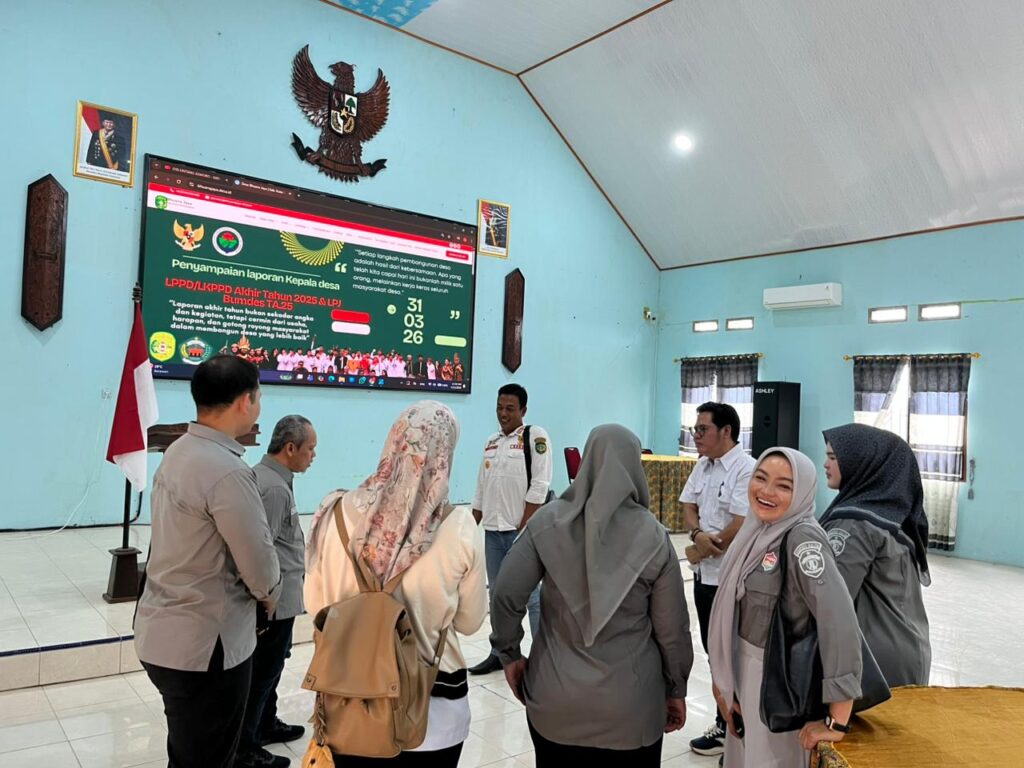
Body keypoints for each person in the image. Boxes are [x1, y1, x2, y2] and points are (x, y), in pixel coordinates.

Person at [490, 424, 693, 766]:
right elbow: (672, 630)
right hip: (631, 708)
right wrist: (676, 689)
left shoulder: (546, 522)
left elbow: (505, 594)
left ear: (586, 462)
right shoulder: (654, 537)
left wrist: (509, 654)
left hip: (555, 700)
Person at [304, 401, 487, 766]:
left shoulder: (334, 512)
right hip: (434, 711)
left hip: (350, 702)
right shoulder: (459, 526)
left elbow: (315, 606)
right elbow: (470, 622)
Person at [135, 355, 282, 768]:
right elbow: (259, 564)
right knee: (209, 758)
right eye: (258, 396)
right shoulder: (227, 471)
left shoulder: (180, 450)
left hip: (163, 632)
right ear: (246, 401)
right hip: (206, 647)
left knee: (188, 752)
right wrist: (271, 598)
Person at [708, 448, 863, 767]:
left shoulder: (803, 539)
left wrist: (837, 720)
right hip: (742, 672)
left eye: (784, 486)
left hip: (776, 681)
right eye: (761, 478)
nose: (766, 492)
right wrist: (724, 682)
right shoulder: (754, 534)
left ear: (802, 492)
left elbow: (839, 624)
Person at [235, 416, 318, 768]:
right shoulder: (272, 488)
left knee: (273, 666)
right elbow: (260, 550)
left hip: (284, 598)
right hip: (274, 601)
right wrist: (264, 602)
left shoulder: (275, 479)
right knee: (262, 673)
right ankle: (246, 747)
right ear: (290, 448)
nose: (313, 455)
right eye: (310, 448)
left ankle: (266, 724)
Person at [822, 423, 932, 687]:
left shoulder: (854, 523)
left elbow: (828, 601)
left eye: (833, 457)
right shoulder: (890, 517)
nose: (825, 464)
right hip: (906, 648)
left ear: (862, 464)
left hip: (874, 663)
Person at [679, 402, 756, 757]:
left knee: (733, 654)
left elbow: (741, 522)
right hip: (704, 577)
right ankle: (725, 722)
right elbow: (688, 505)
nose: (695, 436)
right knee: (714, 652)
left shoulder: (746, 468)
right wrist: (697, 536)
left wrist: (708, 548)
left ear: (726, 431)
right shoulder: (703, 465)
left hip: (733, 579)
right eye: (694, 429)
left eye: (702, 429)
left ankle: (737, 728)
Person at [468, 384, 552, 675]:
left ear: (523, 410)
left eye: (510, 409)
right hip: (493, 532)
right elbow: (481, 489)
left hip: (522, 534)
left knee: (531, 596)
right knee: (497, 596)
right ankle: (500, 653)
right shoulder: (491, 442)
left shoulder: (535, 437)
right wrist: (469, 528)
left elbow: (540, 485)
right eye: (499, 408)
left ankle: (542, 656)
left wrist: (524, 529)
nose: (503, 414)